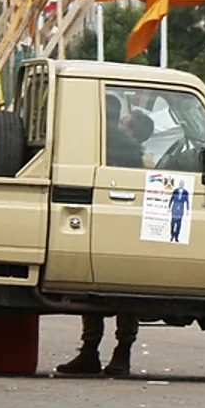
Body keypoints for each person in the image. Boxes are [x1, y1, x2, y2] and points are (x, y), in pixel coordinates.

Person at [57, 95, 145, 378]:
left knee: (92, 290)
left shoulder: (94, 142)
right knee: (127, 290)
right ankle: (122, 352)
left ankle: (90, 350)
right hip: (125, 224)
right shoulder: (129, 147)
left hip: (99, 222)